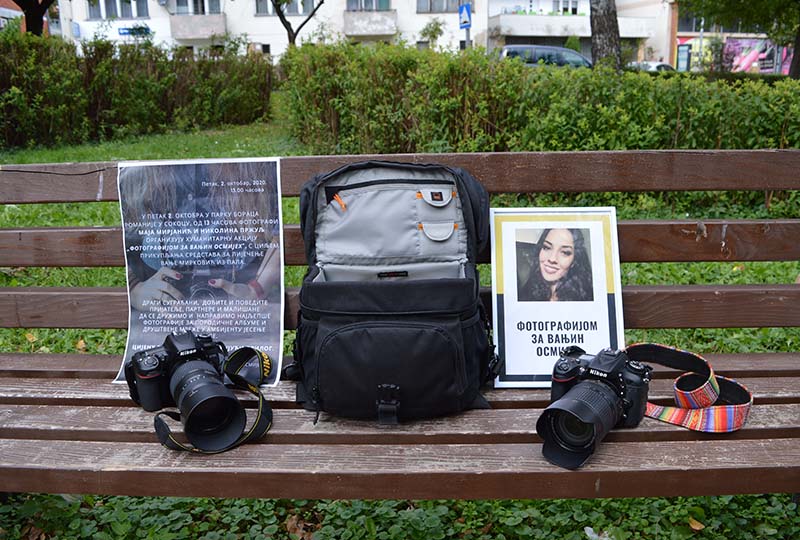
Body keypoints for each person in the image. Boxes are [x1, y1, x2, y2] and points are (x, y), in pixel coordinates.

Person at [518, 228, 593, 302]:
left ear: (574, 261)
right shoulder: (527, 291)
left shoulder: (585, 299)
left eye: (565, 252)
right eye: (547, 247)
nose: (552, 259)